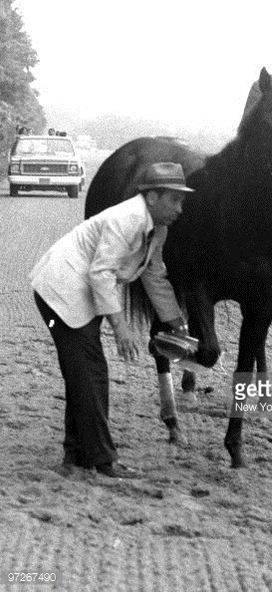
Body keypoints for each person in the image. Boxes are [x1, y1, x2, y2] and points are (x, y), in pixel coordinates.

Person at [31, 162, 193, 478]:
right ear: (152, 197)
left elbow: (153, 274)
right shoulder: (128, 218)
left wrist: (176, 322)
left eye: (181, 201)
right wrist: (121, 328)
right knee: (91, 373)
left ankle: (76, 456)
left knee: (85, 374)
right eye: (174, 200)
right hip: (60, 292)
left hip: (79, 293)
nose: (180, 209)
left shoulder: (156, 228)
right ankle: (102, 460)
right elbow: (101, 273)